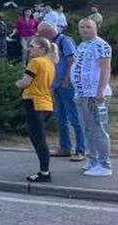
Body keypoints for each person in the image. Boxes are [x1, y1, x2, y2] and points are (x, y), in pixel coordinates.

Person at [38, 22, 85, 162]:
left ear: (48, 32)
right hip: (56, 85)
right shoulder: (51, 44)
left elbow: (72, 60)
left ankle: (80, 150)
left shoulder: (64, 41)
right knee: (60, 117)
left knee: (74, 117)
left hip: (66, 85)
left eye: (41, 34)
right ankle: (65, 148)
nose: (41, 38)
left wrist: (67, 79)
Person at [71, 18, 113, 177]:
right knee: (87, 129)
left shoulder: (102, 45)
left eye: (88, 27)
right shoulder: (81, 45)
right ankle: (93, 160)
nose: (84, 29)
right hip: (82, 94)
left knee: (98, 129)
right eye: (82, 27)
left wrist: (100, 90)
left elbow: (105, 69)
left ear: (96, 28)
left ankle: (104, 164)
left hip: (95, 94)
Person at [17, 36, 57, 182]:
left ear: (42, 48)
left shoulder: (34, 62)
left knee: (39, 140)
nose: (29, 49)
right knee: (37, 138)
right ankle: (44, 170)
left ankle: (44, 173)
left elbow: (26, 82)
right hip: (47, 104)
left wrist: (18, 83)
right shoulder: (50, 63)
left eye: (33, 46)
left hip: (34, 103)